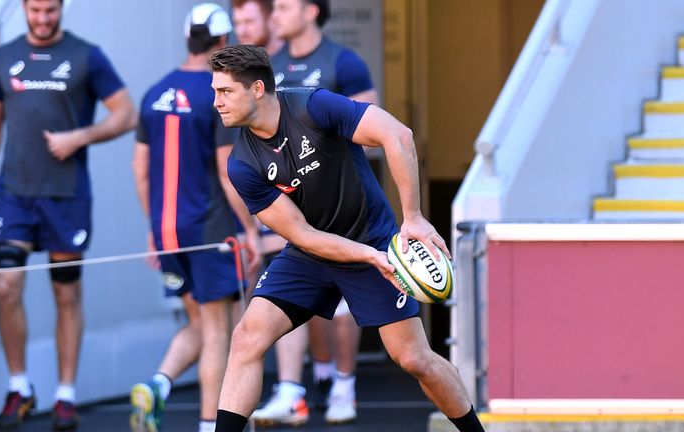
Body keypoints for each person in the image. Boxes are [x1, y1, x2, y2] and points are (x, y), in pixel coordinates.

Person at [208, 45, 485, 432]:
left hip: (373, 238)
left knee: (413, 358)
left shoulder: (313, 107)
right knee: (247, 337)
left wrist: (414, 219)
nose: (216, 102)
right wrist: (367, 257)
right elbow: (302, 233)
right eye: (215, 91)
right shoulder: (242, 164)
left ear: (257, 88)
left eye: (225, 92)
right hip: (310, 254)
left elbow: (397, 135)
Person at [0, 0, 136, 430]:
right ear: (24, 8)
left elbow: (126, 114)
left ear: (61, 8)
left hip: (66, 196)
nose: (43, 19)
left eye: (50, 10)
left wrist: (80, 136)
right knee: (7, 284)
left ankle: (65, 394)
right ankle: (20, 387)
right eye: (35, 10)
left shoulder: (87, 55)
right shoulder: (3, 57)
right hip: (14, 193)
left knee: (66, 293)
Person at [128, 4, 261, 432]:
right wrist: (250, 228)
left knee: (201, 324)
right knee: (219, 333)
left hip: (168, 231)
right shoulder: (217, 94)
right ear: (223, 43)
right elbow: (227, 171)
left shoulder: (154, 92)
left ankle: (159, 384)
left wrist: (154, 231)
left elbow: (140, 168)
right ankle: (209, 425)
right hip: (210, 229)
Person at [250, 0, 378, 425]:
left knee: (344, 307)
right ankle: (317, 377)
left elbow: (373, 131)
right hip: (295, 210)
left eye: (284, 6)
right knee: (307, 302)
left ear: (311, 10)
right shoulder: (270, 66)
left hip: (345, 206)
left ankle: (345, 385)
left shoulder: (344, 62)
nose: (275, 15)